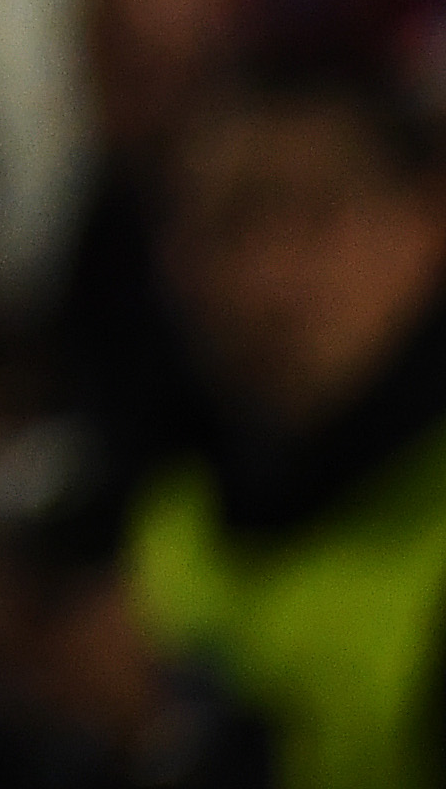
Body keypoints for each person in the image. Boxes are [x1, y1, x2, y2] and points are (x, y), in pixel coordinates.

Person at [122, 55, 446, 789]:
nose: (270, 275)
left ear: (429, 220)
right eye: (228, 224)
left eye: (319, 214)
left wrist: (182, 746)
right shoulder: (159, 511)